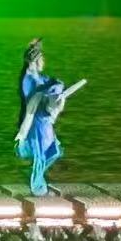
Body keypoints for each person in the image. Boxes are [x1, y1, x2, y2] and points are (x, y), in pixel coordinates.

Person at [15, 39, 80, 196]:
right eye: (42, 59)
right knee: (40, 155)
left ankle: (35, 178)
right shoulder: (28, 78)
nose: (44, 62)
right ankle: (38, 189)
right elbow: (36, 94)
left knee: (54, 151)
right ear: (35, 61)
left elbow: (50, 85)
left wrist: (57, 87)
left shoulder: (40, 77)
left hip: (45, 121)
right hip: (36, 122)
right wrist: (50, 89)